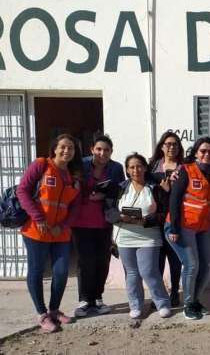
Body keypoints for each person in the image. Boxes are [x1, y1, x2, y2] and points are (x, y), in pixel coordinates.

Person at [17, 134, 82, 333]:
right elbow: (23, 191)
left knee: (61, 272)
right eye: (63, 147)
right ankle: (42, 314)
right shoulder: (41, 164)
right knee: (36, 271)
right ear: (54, 148)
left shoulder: (74, 176)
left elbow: (74, 208)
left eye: (70, 148)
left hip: (60, 232)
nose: (66, 151)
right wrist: (38, 218)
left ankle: (54, 310)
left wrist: (62, 227)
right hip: (36, 230)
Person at [166, 137, 210, 320]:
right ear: (196, 152)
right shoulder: (186, 170)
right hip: (181, 226)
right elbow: (174, 199)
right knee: (191, 264)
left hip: (202, 226)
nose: (207, 154)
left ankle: (195, 300)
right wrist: (173, 228)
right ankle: (188, 304)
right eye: (203, 151)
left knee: (208, 263)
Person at [72, 134, 125, 317]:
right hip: (80, 220)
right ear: (92, 149)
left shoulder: (116, 168)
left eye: (107, 150)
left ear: (111, 152)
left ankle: (98, 298)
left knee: (102, 260)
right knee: (85, 261)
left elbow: (120, 191)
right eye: (99, 149)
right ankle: (85, 300)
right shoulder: (81, 165)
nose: (103, 153)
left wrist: (104, 196)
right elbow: (72, 188)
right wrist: (87, 195)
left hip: (104, 220)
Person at [114, 153, 171, 319]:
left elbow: (163, 211)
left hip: (149, 236)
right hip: (125, 237)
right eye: (131, 167)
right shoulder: (120, 188)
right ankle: (136, 306)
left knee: (149, 272)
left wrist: (146, 220)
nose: (135, 170)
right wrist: (119, 217)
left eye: (139, 166)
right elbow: (109, 210)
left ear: (145, 168)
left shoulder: (154, 186)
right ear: (127, 170)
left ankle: (162, 303)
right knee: (132, 273)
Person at [148, 131, 184, 307]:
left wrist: (171, 190)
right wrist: (161, 189)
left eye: (175, 144)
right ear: (162, 146)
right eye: (168, 144)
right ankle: (159, 295)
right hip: (157, 219)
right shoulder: (152, 166)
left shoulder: (184, 167)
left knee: (175, 259)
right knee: (158, 260)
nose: (171, 147)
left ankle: (175, 292)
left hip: (176, 219)